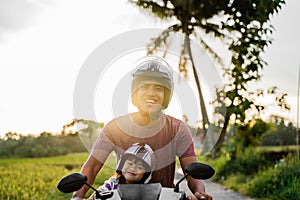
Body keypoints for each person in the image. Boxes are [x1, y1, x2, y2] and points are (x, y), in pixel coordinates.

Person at [72, 56, 212, 200]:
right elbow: (92, 167)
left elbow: (192, 171)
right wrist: (77, 196)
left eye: (158, 88)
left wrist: (199, 193)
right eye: (144, 86)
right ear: (135, 93)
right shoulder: (115, 128)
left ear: (165, 95)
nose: (150, 92)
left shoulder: (177, 129)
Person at [88, 143, 155, 199]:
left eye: (139, 167)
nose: (132, 168)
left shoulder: (146, 191)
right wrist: (92, 197)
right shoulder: (113, 183)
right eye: (130, 163)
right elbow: (100, 192)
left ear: (146, 174)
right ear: (122, 164)